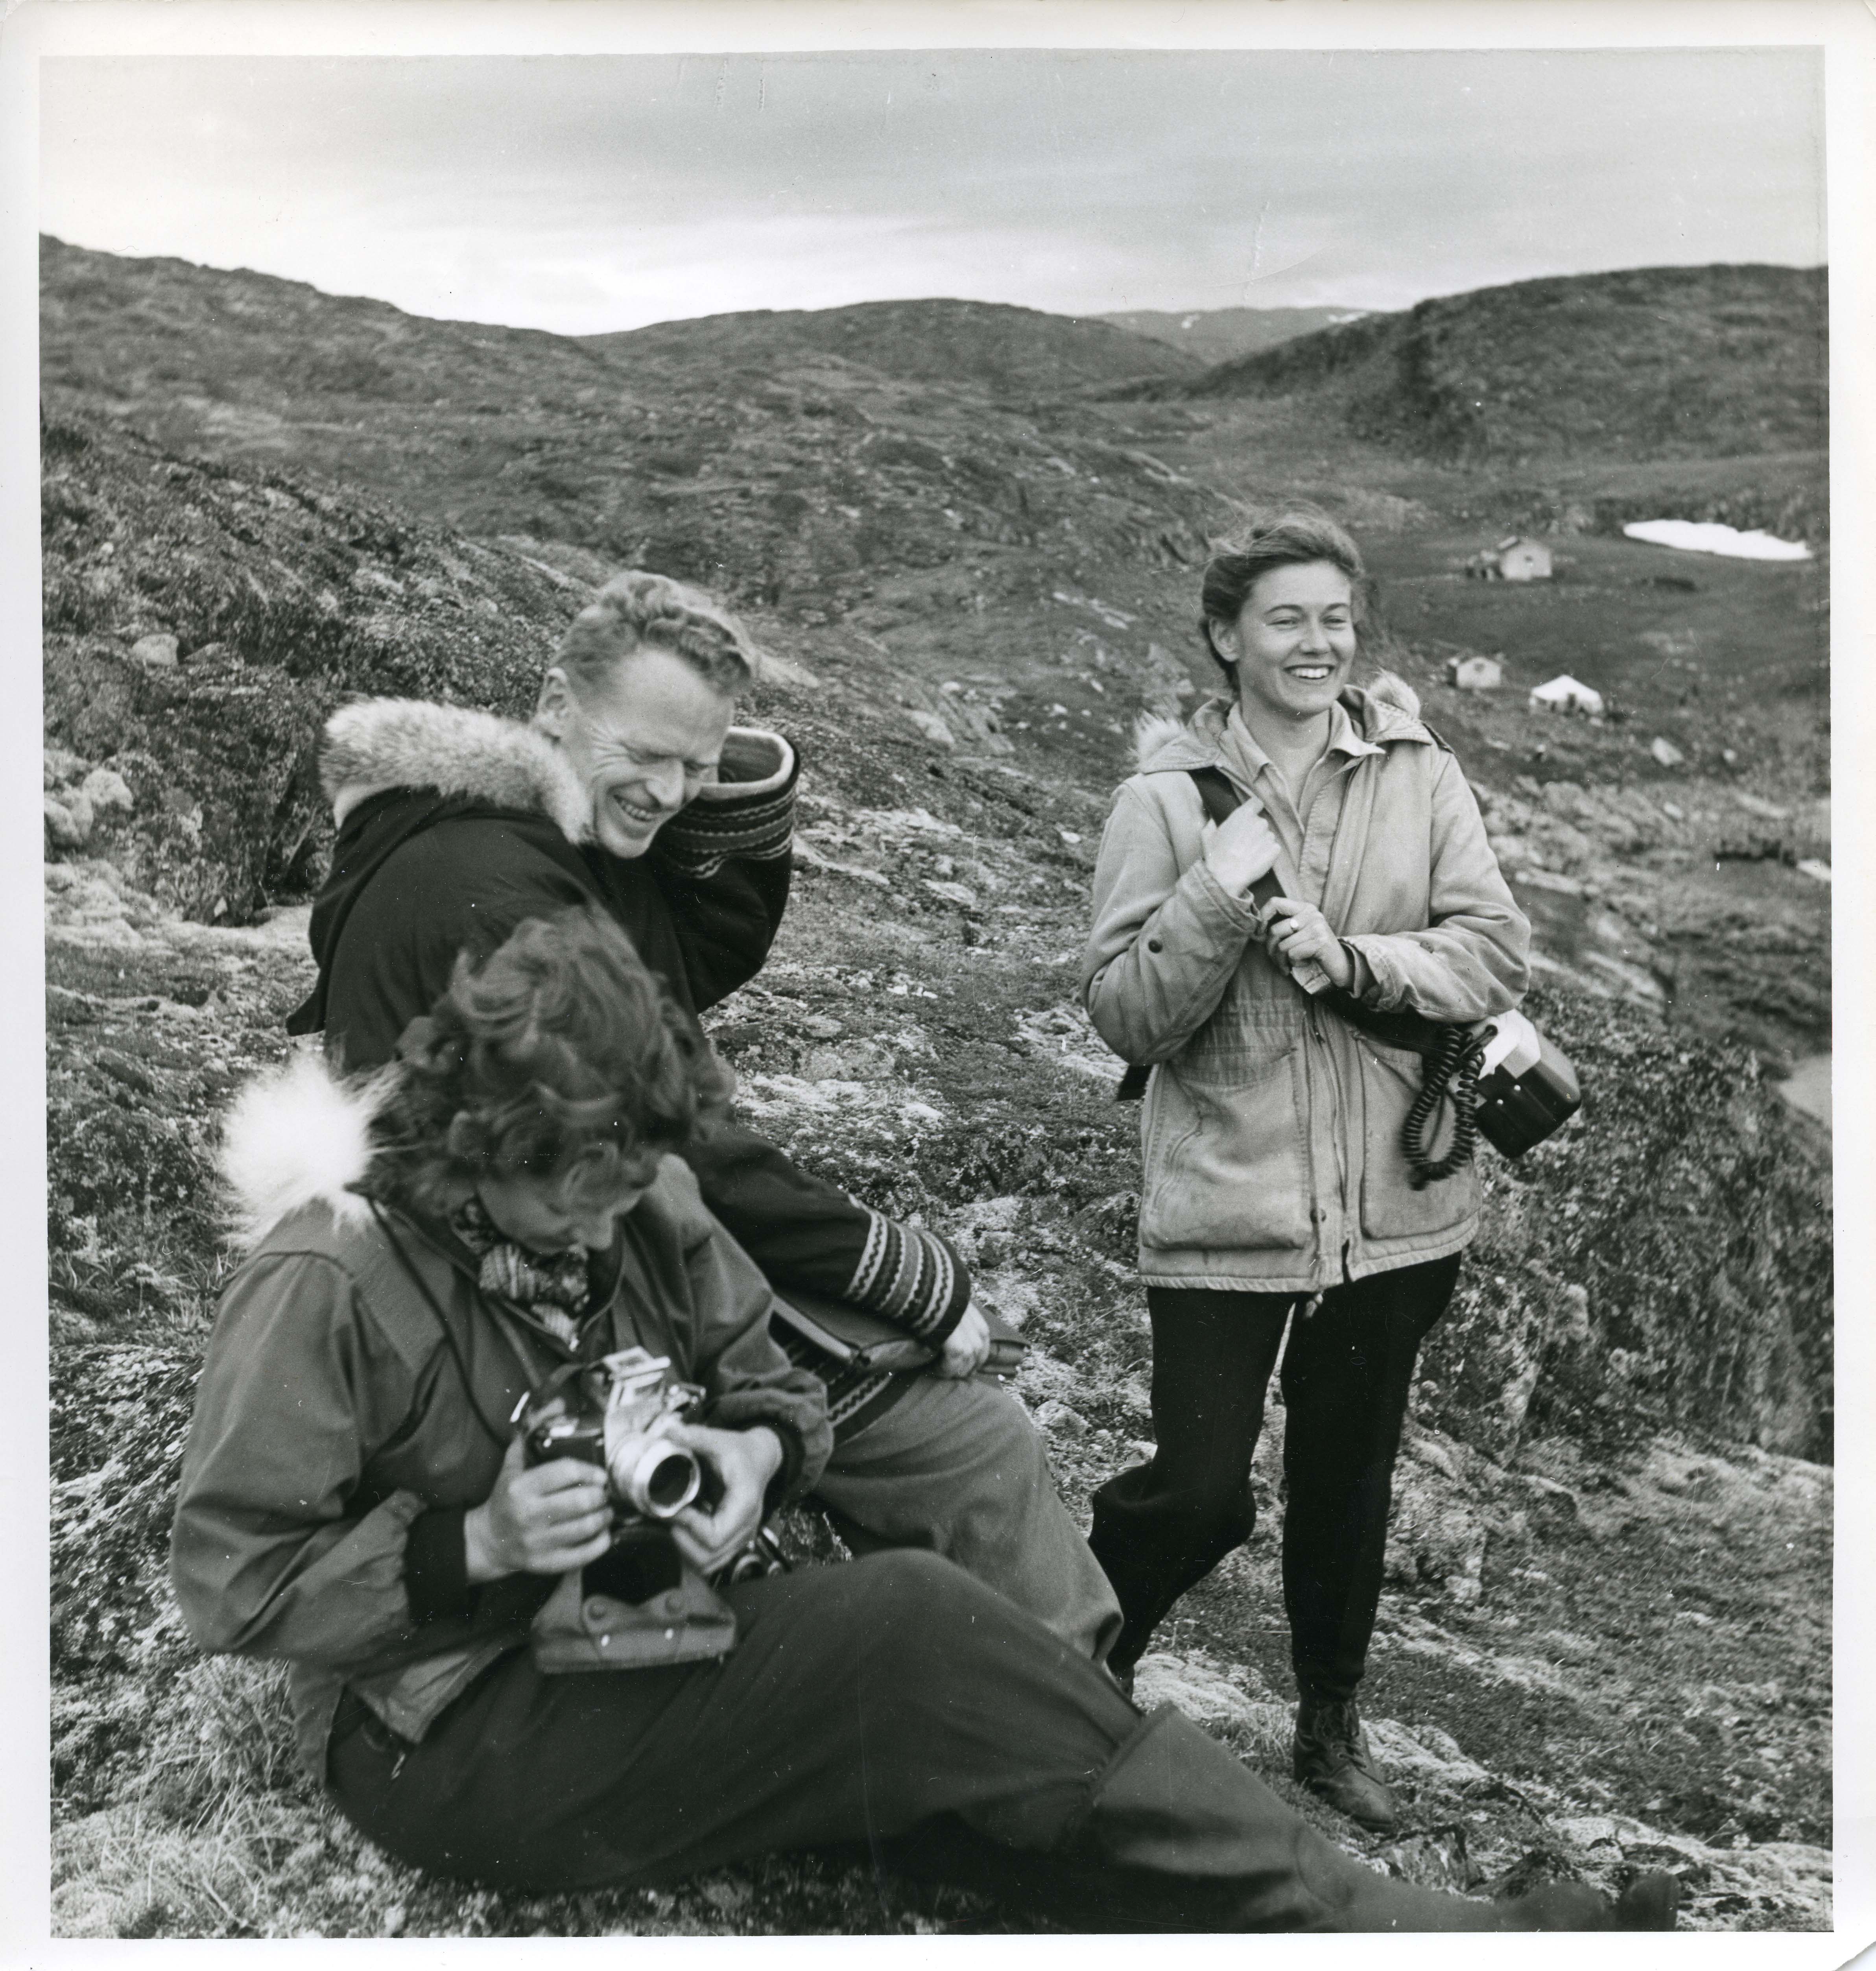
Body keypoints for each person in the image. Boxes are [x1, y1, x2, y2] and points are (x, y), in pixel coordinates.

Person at [171, 907, 1674, 1932]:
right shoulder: (330, 1278)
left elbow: (768, 1377)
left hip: (644, 1630)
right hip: (451, 1738)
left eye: (628, 1180)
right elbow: (234, 1580)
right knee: (908, 1629)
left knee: (977, 1779)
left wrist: (755, 1453)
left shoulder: (643, 1192)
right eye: (573, 1188)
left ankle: (1372, 1934)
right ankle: (1407, 1930)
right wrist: (471, 1542)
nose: (605, 1221)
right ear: (478, 1140)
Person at [284, 569, 1119, 1663]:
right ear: (551, 707)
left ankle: (1030, 1695)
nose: (674, 790)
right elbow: (666, 1122)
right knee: (967, 1438)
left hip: (550, 1246)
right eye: (647, 752)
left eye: (697, 764)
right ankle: (1075, 1714)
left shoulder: (516, 830)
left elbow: (681, 972)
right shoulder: (489, 881)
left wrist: (718, 803)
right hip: (516, 1295)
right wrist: (889, 1265)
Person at [1081, 511, 1532, 1834]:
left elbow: (1493, 955)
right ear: (1226, 637)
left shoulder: (1418, 771)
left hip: (1397, 1207)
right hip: (1228, 1194)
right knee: (1200, 1486)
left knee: (1350, 1476)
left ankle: (1328, 1729)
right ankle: (1077, 1657)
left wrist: (1357, 962)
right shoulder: (1161, 800)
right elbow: (1121, 1012)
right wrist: (1217, 897)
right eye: (1286, 618)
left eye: (1335, 617)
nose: (1317, 642)